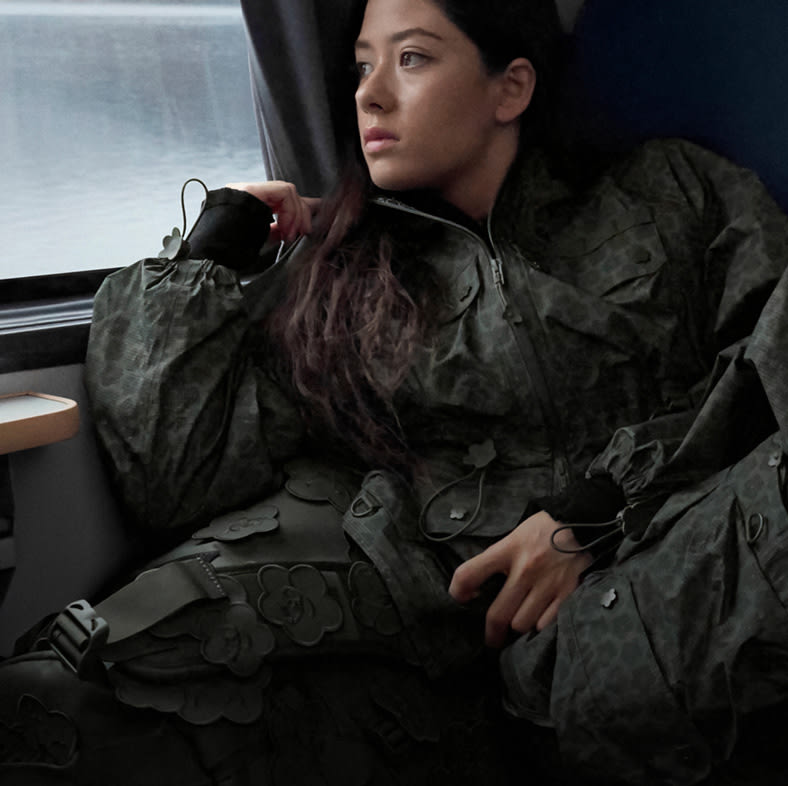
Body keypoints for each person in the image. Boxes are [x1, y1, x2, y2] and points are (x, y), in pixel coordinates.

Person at [3, 0, 788, 783]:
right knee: (51, 713)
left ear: (509, 89)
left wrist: (600, 508)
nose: (370, 95)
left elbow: (763, 368)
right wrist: (217, 247)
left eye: (411, 59)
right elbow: (177, 479)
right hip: (473, 653)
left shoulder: (668, 195)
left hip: (668, 560)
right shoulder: (342, 280)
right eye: (361, 66)